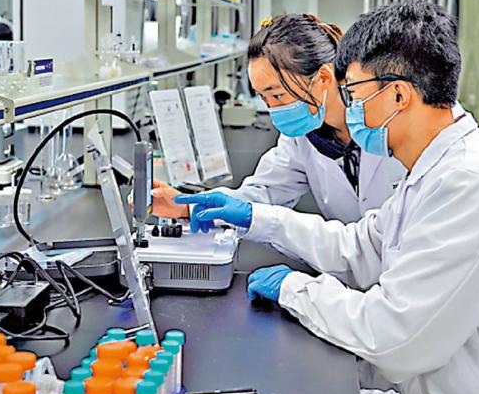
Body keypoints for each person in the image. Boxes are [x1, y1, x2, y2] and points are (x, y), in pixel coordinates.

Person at [176, 1, 479, 394]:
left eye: (354, 94)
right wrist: (257, 217)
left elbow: (393, 336)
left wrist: (295, 290)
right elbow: (361, 245)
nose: (349, 108)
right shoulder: (432, 169)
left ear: (398, 95)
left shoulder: (468, 183)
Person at [152, 13, 407, 257]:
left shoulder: (390, 123)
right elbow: (262, 196)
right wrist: (187, 206)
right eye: (265, 98)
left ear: (323, 78)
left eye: (277, 95)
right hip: (351, 268)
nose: (274, 109)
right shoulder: (304, 136)